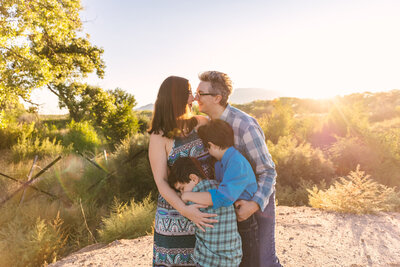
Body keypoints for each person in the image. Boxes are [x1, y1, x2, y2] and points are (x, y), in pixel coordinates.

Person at [194, 71, 282, 267]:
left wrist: (254, 205)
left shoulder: (245, 126)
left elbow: (268, 171)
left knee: (264, 260)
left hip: (257, 199)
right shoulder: (209, 124)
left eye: (200, 93)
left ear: (217, 98)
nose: (195, 97)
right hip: (229, 201)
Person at [148, 76, 218, 267]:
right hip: (175, 215)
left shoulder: (201, 123)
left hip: (205, 210)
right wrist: (185, 210)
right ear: (175, 97)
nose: (194, 97)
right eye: (188, 92)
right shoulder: (159, 136)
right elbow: (161, 181)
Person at [168, 157, 242, 267]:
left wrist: (184, 197)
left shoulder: (192, 201)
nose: (182, 193)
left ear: (193, 178)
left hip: (209, 261)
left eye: (182, 188)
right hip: (233, 259)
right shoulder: (220, 187)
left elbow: (185, 217)